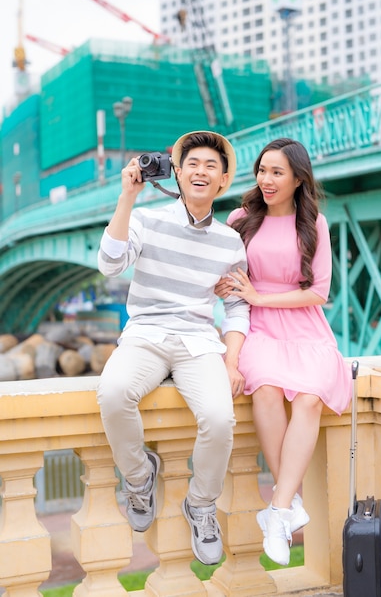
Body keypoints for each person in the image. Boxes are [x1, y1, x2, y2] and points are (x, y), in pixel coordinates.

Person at [97, 131, 250, 566]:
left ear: (222, 181)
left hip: (199, 342)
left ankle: (201, 504)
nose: (201, 171)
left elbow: (237, 307)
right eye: (193, 164)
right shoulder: (146, 219)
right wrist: (126, 198)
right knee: (112, 393)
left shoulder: (229, 241)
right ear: (178, 173)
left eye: (211, 166)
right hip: (145, 334)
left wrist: (232, 359)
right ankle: (139, 476)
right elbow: (110, 265)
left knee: (220, 419)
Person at [215, 137, 351, 566]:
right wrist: (227, 287)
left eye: (277, 172)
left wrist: (259, 296)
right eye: (262, 170)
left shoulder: (315, 224)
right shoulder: (241, 219)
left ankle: (278, 508)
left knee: (309, 398)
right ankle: (286, 508)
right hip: (258, 330)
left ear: (297, 178)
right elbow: (222, 277)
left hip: (305, 327)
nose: (266, 180)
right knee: (268, 390)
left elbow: (319, 293)